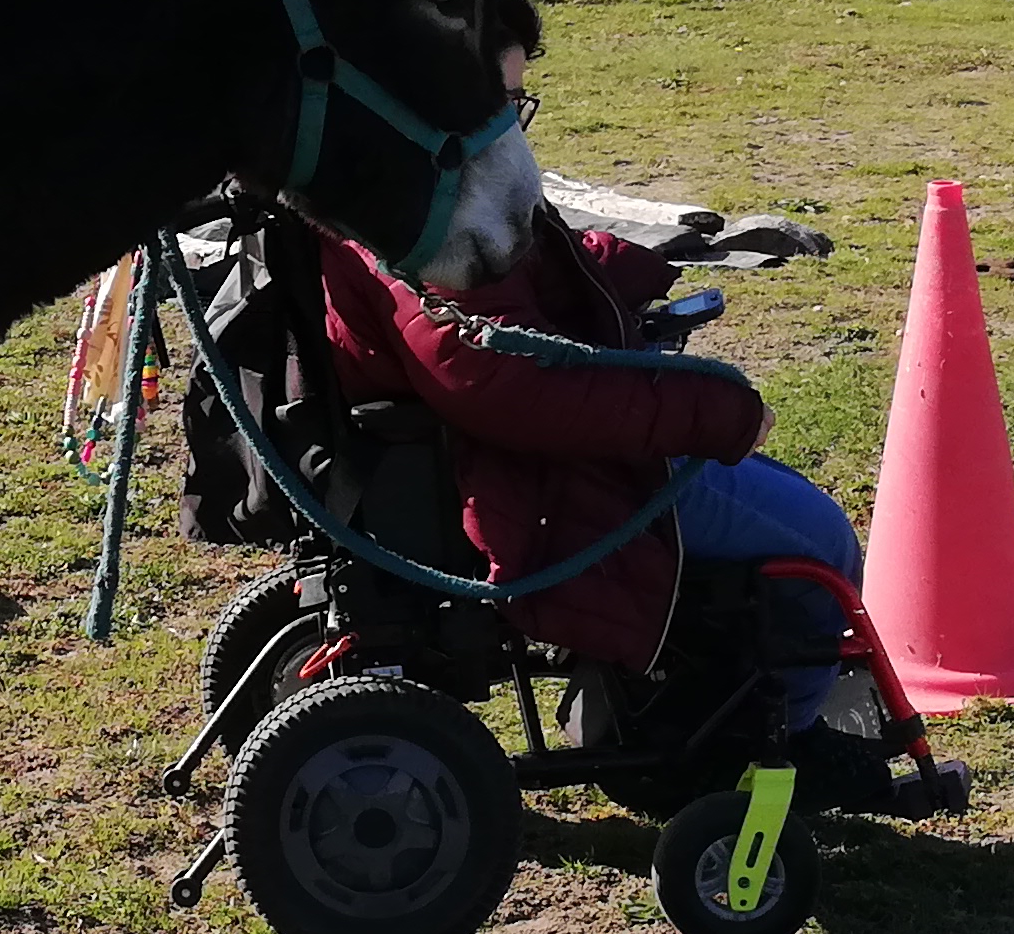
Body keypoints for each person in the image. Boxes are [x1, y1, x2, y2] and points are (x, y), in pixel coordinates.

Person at [306, 198, 863, 727]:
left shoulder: (395, 196)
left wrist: (631, 265)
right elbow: (510, 383)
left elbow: (525, 279)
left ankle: (715, 710)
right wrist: (711, 413)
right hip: (533, 480)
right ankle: (787, 749)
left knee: (792, 509)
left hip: (505, 458)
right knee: (819, 544)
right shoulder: (425, 221)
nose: (513, 130)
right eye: (507, 104)